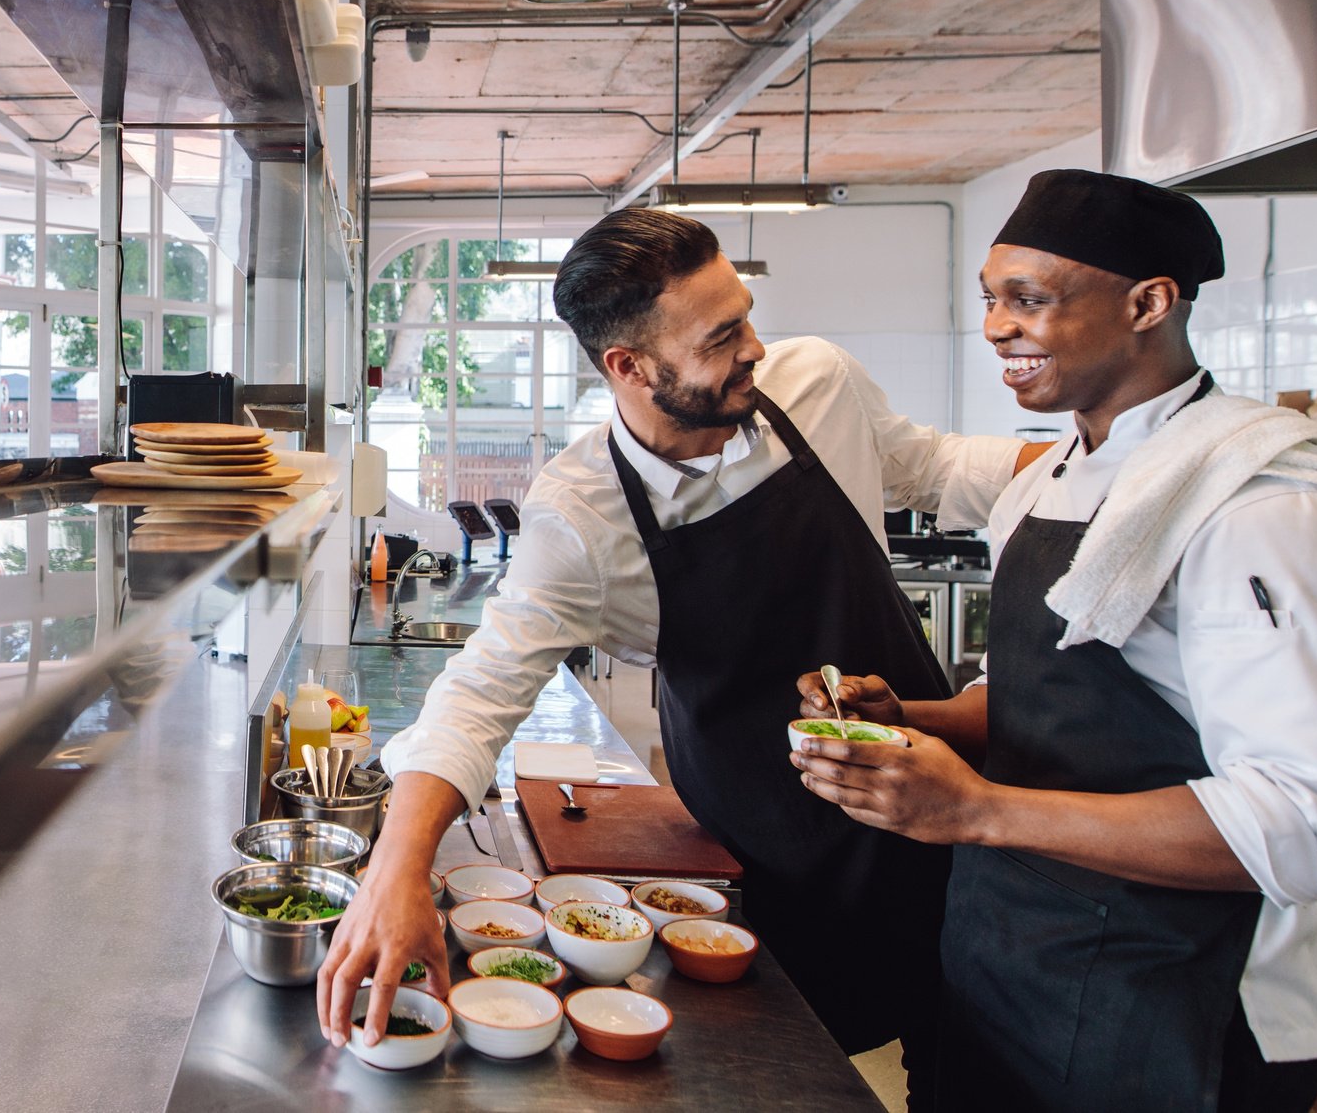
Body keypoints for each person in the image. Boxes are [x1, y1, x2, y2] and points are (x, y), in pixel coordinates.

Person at [317, 209, 1046, 1088]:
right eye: (723, 335)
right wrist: (396, 866)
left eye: (745, 313)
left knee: (976, 1059)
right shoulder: (584, 515)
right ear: (628, 367)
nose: (756, 348)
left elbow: (929, 466)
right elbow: (481, 689)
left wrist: (1117, 463)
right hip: (771, 857)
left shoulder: (816, 383)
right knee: (790, 1071)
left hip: (950, 802)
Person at [791, 169, 1317, 1112]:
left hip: (1176, 994)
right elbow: (1047, 696)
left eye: (1030, 300)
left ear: (1148, 303)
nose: (998, 326)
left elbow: (1303, 822)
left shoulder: (1255, 501)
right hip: (1010, 956)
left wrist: (977, 812)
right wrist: (913, 718)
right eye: (991, 300)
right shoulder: (1043, 486)